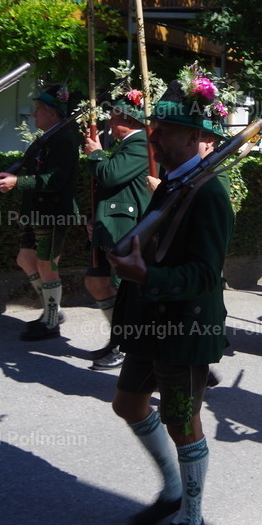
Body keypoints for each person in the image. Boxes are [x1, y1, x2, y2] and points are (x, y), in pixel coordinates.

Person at [106, 76, 233, 525]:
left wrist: (146, 275)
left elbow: (204, 275)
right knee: (128, 404)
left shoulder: (210, 194)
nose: (153, 136)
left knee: (182, 421)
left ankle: (192, 517)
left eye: (164, 130)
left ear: (196, 138)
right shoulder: (172, 184)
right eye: (154, 127)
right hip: (150, 318)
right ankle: (173, 489)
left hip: (185, 326)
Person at [0, 85, 80, 341]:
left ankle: (51, 321)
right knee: (25, 259)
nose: (34, 115)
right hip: (37, 213)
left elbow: (53, 180)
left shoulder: (64, 140)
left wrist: (16, 183)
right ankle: (52, 310)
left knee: (47, 264)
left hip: (53, 213)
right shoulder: (47, 138)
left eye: (39, 110)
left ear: (53, 114)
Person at [82, 90, 152, 371]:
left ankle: (126, 347)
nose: (110, 124)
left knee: (125, 291)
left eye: (114, 119)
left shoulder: (140, 144)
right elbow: (111, 187)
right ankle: (119, 339)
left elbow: (110, 174)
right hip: (112, 223)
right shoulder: (127, 144)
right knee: (96, 282)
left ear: (129, 120)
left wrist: (96, 153)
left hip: (127, 227)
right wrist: (96, 218)